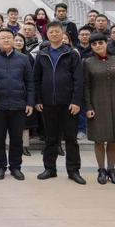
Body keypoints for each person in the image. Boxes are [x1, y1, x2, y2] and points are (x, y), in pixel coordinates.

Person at [33, 21, 86, 185]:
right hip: (48, 103)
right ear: (47, 34)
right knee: (51, 138)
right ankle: (50, 168)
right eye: (51, 32)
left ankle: (73, 170)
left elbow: (79, 80)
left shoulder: (72, 54)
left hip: (68, 104)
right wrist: (38, 99)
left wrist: (76, 101)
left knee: (71, 139)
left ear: (62, 34)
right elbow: (36, 79)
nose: (54, 34)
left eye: (57, 32)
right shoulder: (42, 54)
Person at [0, 29, 34, 181]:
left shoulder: (23, 59)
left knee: (17, 139)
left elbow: (30, 82)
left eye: (9, 37)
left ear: (14, 40)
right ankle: (0, 166)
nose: (6, 40)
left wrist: (30, 102)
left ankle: (15, 167)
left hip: (18, 105)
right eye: (3, 38)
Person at [84, 33, 115, 185]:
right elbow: (86, 88)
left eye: (100, 42)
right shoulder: (88, 62)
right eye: (94, 44)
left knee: (113, 139)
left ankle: (112, 170)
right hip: (97, 105)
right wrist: (88, 106)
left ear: (106, 43)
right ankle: (101, 170)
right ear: (91, 46)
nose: (98, 45)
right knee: (99, 139)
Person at [14, 33, 38, 156]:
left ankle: (24, 146)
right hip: (12, 93)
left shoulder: (29, 57)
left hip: (24, 93)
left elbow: (32, 77)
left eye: (20, 41)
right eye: (16, 40)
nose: (18, 42)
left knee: (25, 123)